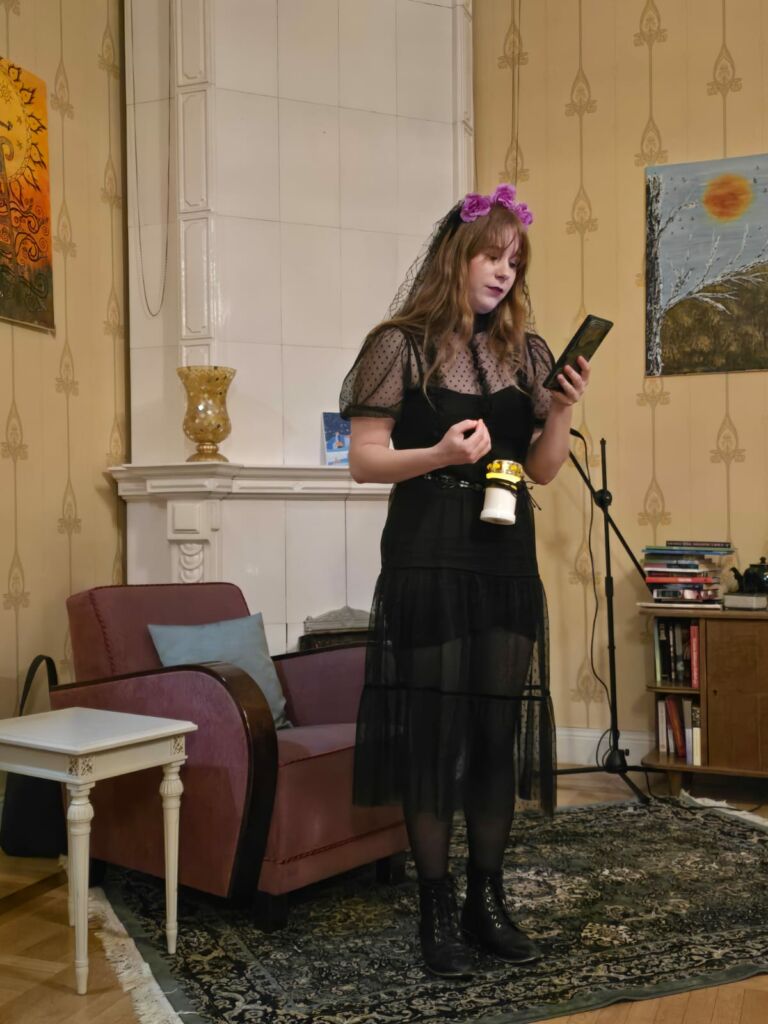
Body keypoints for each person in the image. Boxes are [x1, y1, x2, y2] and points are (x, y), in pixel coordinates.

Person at [339, 184, 590, 978]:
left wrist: (562, 411)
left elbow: (544, 471)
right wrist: (441, 454)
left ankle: (487, 901)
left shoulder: (528, 353)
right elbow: (364, 462)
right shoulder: (398, 346)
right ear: (456, 255)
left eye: (514, 261)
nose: (504, 272)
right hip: (426, 554)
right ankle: (436, 910)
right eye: (491, 255)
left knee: (492, 735)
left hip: (504, 557)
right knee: (434, 737)